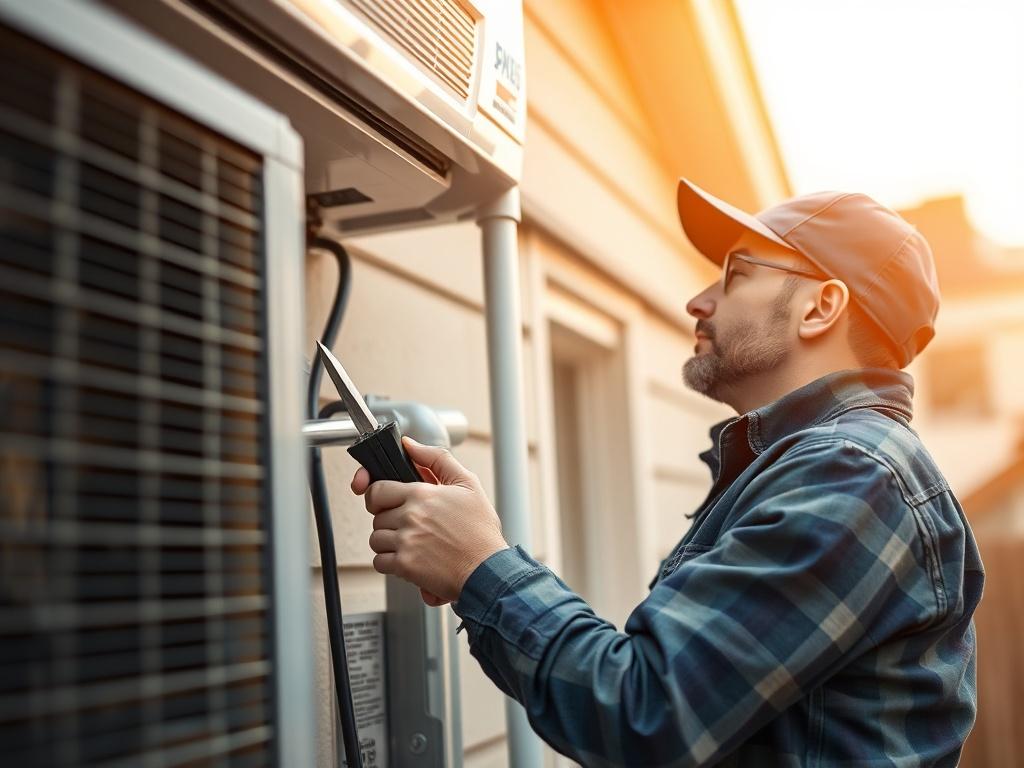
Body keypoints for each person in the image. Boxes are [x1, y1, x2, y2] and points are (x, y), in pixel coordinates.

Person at [351, 178, 983, 767]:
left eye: (735, 275)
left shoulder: (853, 478)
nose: (697, 300)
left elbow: (646, 712)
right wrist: (473, 556)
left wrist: (478, 566)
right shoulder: (816, 469)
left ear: (820, 308)